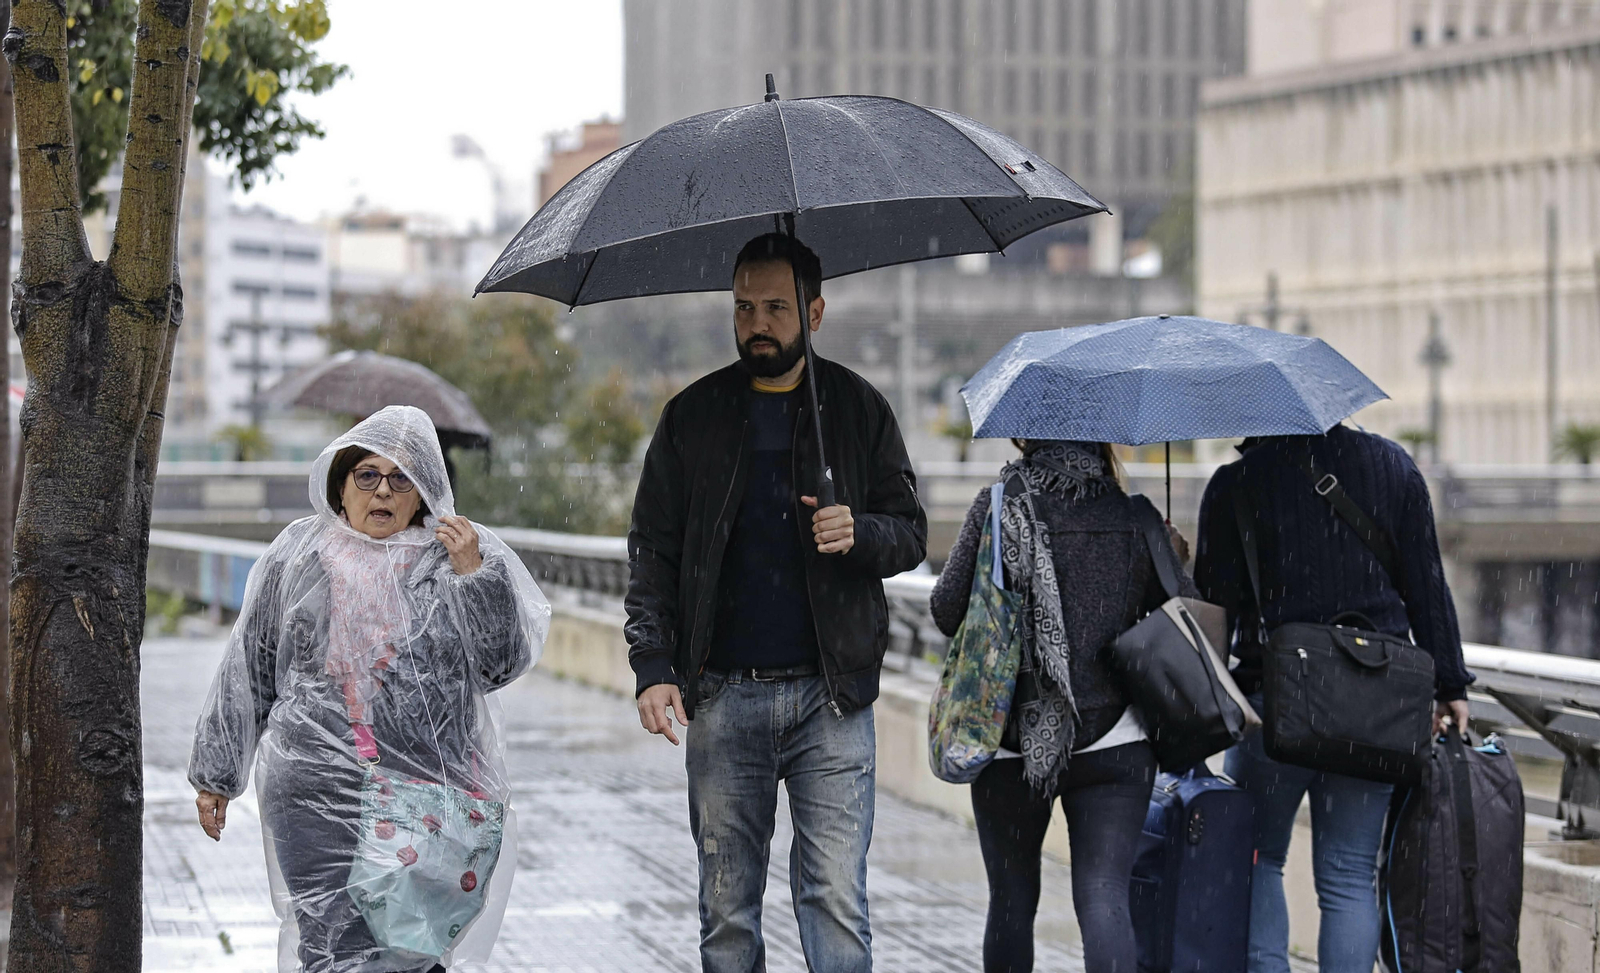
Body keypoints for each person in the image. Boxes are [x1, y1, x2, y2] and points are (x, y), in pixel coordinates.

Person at [626, 233, 926, 973]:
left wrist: (858, 532)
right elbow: (653, 549)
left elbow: (911, 533)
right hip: (723, 698)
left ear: (815, 313)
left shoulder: (856, 410)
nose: (757, 322)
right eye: (744, 307)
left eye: (776, 308)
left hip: (833, 700)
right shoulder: (692, 418)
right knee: (726, 914)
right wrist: (653, 662)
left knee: (835, 901)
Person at [188, 406, 551, 973]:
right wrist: (216, 775)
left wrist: (475, 576)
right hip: (312, 788)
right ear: (341, 486)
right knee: (330, 944)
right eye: (367, 476)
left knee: (413, 945)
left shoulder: (452, 561)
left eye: (401, 478)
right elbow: (249, 665)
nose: (382, 490)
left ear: (424, 492)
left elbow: (499, 664)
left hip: (426, 791)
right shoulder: (296, 557)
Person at [1194, 426, 1473, 973]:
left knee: (1259, 861)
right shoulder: (1394, 468)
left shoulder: (1235, 485)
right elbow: (1427, 585)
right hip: (1375, 708)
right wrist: (1451, 684)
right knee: (1348, 874)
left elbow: (1213, 609)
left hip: (1272, 704)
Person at [931, 439, 1191, 973]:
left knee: (1011, 898)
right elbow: (1178, 618)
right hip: (1116, 739)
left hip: (1011, 740)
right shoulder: (1134, 514)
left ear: (1028, 432)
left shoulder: (1001, 503)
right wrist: (1173, 557)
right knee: (1104, 897)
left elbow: (945, 609)